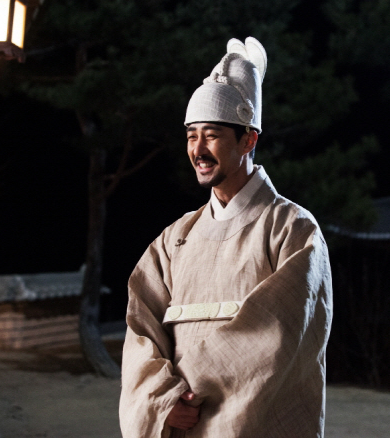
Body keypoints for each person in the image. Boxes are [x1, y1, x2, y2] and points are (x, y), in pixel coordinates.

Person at [118, 37, 333, 438]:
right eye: (190, 136)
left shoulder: (292, 229)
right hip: (184, 423)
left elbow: (276, 332)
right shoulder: (175, 239)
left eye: (212, 135)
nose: (197, 149)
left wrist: (185, 393)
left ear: (249, 139)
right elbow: (140, 327)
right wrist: (161, 398)